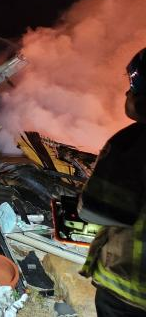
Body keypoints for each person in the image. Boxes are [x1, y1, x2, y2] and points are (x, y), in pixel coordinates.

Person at [79, 48, 146, 316]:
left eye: (133, 85)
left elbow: (98, 210)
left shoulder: (132, 143)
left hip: (129, 290)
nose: (127, 93)